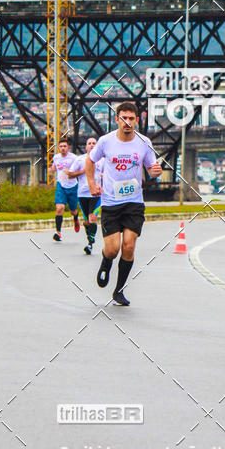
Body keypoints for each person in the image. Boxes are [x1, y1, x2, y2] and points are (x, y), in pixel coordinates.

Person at [86, 102, 162, 306]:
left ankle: (119, 290)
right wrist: (92, 183)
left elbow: (151, 168)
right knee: (113, 249)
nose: (127, 122)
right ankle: (106, 261)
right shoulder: (105, 141)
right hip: (111, 202)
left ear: (136, 120)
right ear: (117, 119)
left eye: (131, 118)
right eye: (123, 118)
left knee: (128, 245)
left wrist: (155, 172)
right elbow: (90, 161)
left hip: (134, 202)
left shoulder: (144, 142)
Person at [67, 137, 104, 254]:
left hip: (96, 194)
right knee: (87, 221)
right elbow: (70, 175)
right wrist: (82, 171)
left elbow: (108, 174)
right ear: (86, 146)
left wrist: (104, 177)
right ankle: (90, 239)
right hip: (82, 194)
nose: (92, 145)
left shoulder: (102, 160)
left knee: (93, 217)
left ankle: (90, 243)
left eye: (94, 143)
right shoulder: (80, 159)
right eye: (89, 143)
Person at [51, 136, 80, 242]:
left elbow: (80, 170)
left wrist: (71, 173)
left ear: (68, 147)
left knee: (73, 211)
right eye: (61, 146)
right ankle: (58, 232)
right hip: (61, 185)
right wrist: (51, 170)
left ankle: (76, 218)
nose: (63, 148)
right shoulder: (56, 157)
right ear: (58, 148)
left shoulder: (74, 158)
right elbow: (54, 167)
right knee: (59, 208)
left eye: (64, 146)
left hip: (72, 186)